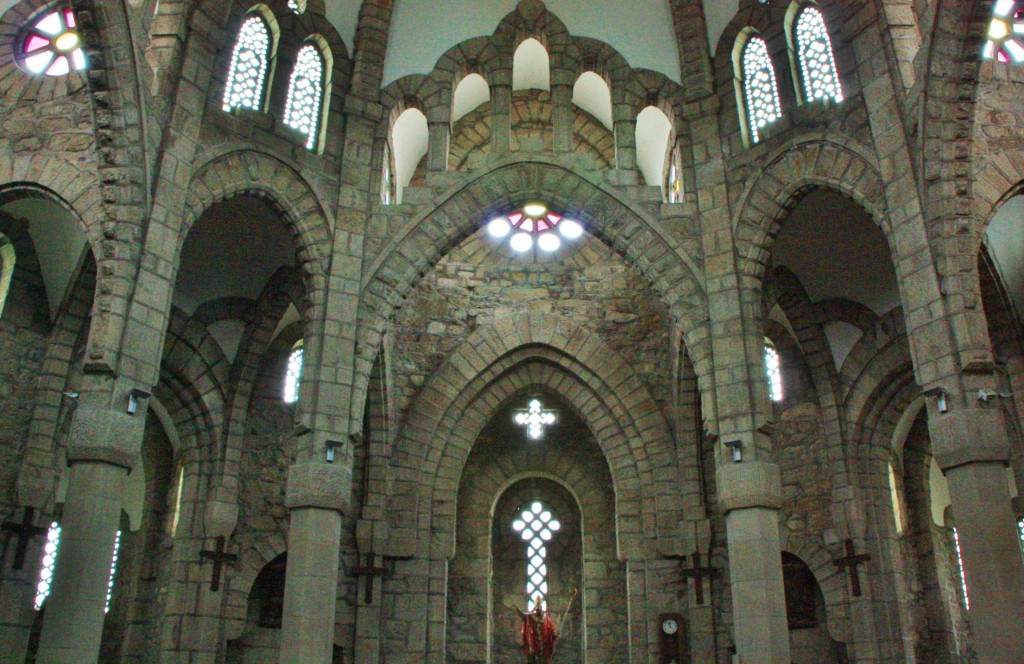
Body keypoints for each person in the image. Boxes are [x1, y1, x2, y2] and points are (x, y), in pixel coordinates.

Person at [519, 597, 557, 663]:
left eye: (539, 605)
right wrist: (518, 611)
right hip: (533, 644)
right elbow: (524, 616)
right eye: (537, 605)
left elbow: (551, 628)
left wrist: (554, 635)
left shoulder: (546, 618)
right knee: (532, 658)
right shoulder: (530, 617)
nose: (538, 608)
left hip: (544, 645)